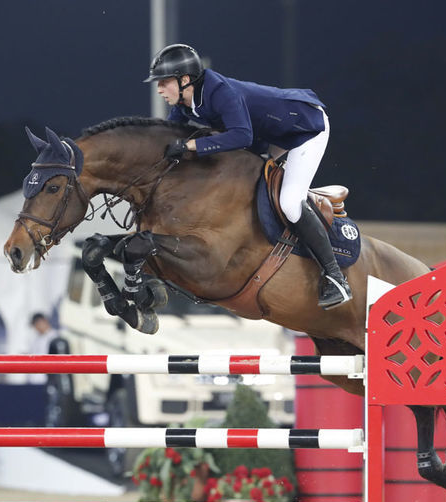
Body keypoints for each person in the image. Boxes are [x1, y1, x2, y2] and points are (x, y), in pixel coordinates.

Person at [144, 44, 352, 309]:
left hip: (305, 129)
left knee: (289, 201)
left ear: (185, 80)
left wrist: (190, 147)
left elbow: (242, 135)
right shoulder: (186, 103)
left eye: (164, 82)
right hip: (271, 134)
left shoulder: (219, 91)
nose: (159, 89)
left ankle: (335, 278)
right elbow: (169, 135)